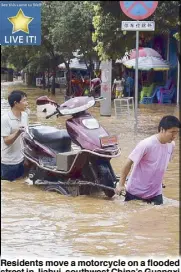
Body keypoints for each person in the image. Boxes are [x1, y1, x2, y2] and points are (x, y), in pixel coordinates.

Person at [115, 115, 181, 205]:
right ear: (162, 129)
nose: (174, 136)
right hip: (135, 192)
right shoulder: (146, 144)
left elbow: (161, 164)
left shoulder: (171, 145)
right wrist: (121, 185)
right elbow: (128, 162)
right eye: (172, 132)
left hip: (156, 192)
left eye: (177, 132)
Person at [1, 90, 29, 181]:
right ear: (16, 103)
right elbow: (6, 141)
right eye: (24, 100)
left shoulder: (25, 115)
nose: (27, 103)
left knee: (19, 186)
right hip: (8, 162)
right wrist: (18, 132)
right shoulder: (5, 119)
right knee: (7, 188)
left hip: (21, 159)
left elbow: (26, 135)